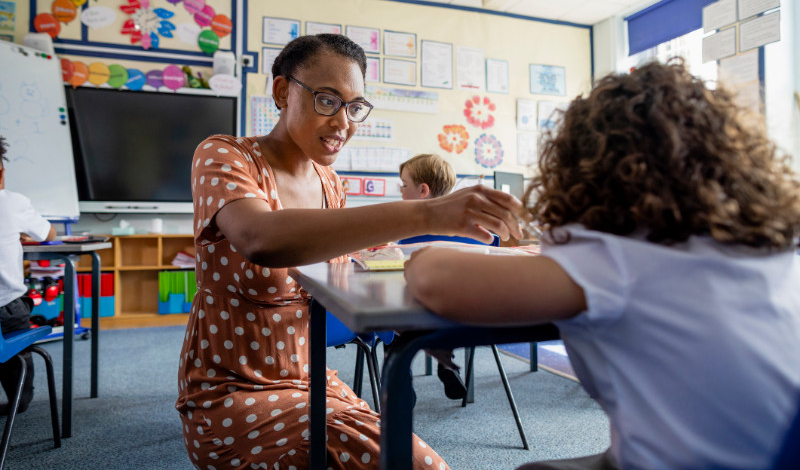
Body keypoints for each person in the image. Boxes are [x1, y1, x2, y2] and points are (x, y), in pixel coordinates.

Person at [405, 60, 800, 470]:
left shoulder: (615, 255)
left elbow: (436, 279)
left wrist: (424, 250)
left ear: (588, 166)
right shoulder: (768, 247)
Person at [175, 33, 526, 469]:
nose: (344, 122)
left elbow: (344, 272)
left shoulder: (330, 185)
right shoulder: (225, 154)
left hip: (312, 381)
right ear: (283, 92)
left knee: (402, 457)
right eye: (327, 100)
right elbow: (262, 238)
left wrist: (435, 264)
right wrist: (426, 215)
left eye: (355, 106)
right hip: (230, 392)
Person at [398, 154, 468, 400]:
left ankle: (401, 379)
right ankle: (446, 364)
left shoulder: (406, 229)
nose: (401, 191)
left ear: (422, 190)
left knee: (393, 326)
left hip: (413, 314)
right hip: (463, 317)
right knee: (444, 312)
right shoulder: (466, 226)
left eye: (404, 185)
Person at [0, 135, 57, 414]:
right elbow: (50, 234)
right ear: (1, 171)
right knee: (21, 309)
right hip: (6, 310)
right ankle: (18, 401)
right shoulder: (13, 202)